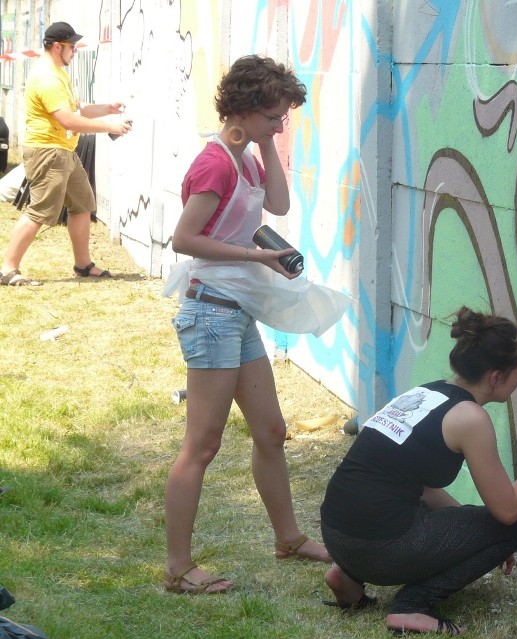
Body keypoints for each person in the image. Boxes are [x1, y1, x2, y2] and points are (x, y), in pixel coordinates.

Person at [162, 55, 331, 595]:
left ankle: (288, 539)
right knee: (202, 444)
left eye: (283, 117)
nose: (282, 125)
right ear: (244, 110)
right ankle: (178, 569)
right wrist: (255, 258)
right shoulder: (214, 163)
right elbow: (184, 241)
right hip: (211, 311)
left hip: (234, 312)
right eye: (274, 117)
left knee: (271, 432)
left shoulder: (245, 156)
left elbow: (277, 207)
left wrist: (263, 147)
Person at [319, 306, 517, 635]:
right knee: (509, 530)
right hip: (377, 547)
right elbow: (507, 510)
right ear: (495, 377)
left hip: (335, 534)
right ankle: (412, 607)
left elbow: (422, 487)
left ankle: (345, 576)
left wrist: (470, 540)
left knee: (461, 521)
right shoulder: (470, 418)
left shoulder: (427, 392)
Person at [0, 21, 131, 286]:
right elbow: (68, 121)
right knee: (40, 212)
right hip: (48, 152)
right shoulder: (47, 77)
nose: (75, 51)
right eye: (72, 46)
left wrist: (108, 108)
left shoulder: (59, 73)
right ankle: (8, 269)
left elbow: (76, 110)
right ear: (58, 46)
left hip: (64, 151)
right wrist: (110, 127)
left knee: (83, 205)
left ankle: (83, 265)